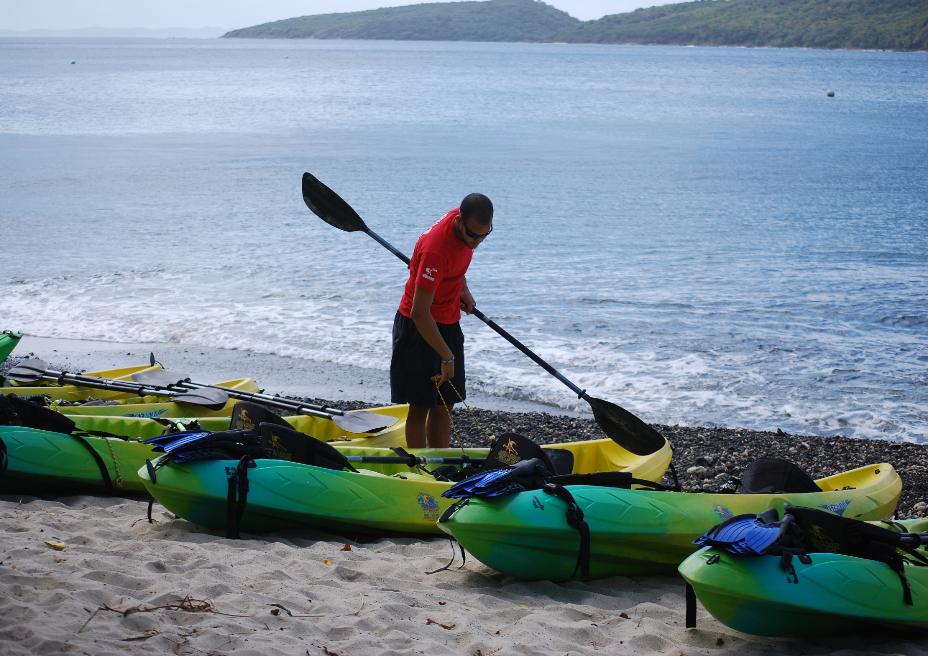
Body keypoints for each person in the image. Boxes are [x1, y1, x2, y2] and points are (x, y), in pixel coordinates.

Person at [390, 193, 494, 448]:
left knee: (444, 404)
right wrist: (447, 357)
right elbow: (419, 312)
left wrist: (462, 290)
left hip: (448, 321)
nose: (477, 242)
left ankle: (440, 462)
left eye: (484, 235)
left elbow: (456, 266)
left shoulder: (465, 226)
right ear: (459, 221)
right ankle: (419, 465)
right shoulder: (435, 251)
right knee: (421, 405)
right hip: (418, 328)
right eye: (473, 235)